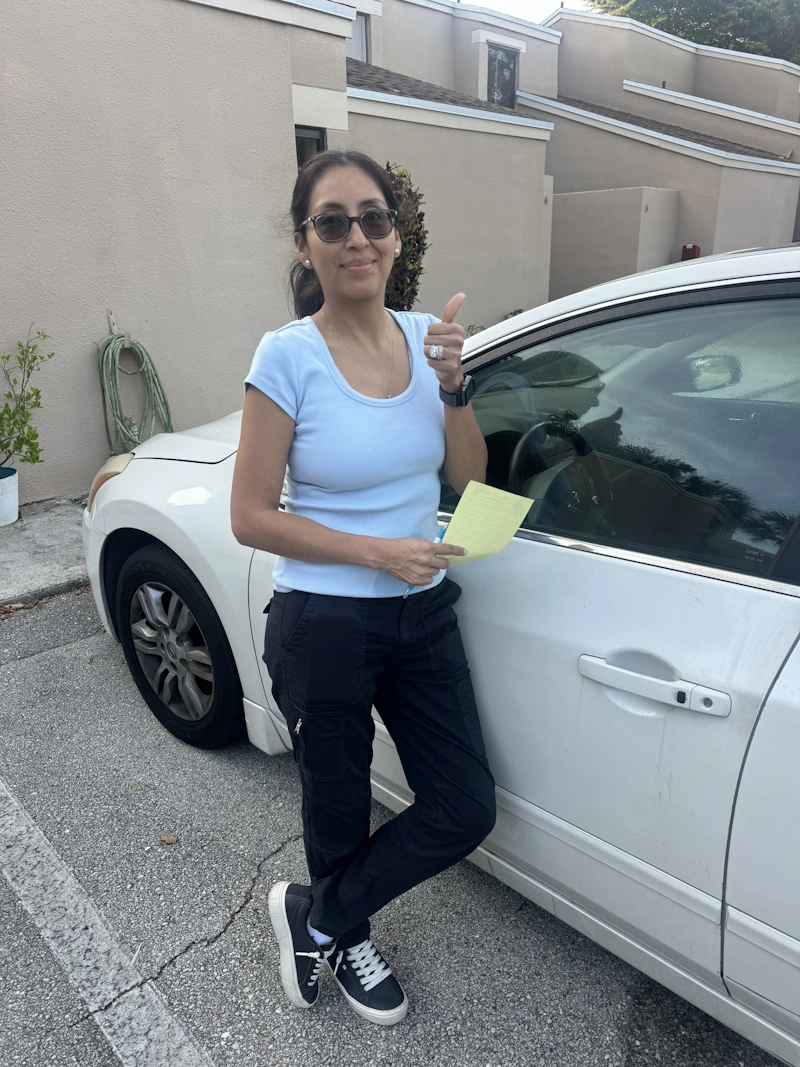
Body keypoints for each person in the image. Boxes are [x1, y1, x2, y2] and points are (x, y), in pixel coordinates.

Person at [230, 149, 496, 1027]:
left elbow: (469, 476)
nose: (357, 238)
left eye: (373, 218)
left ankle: (319, 916)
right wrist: (376, 552)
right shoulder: (287, 355)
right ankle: (349, 933)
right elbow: (249, 515)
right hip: (326, 620)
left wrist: (455, 387)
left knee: (463, 806)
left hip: (423, 614)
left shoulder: (427, 339)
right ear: (305, 243)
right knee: (338, 806)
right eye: (333, 221)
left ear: (396, 234)